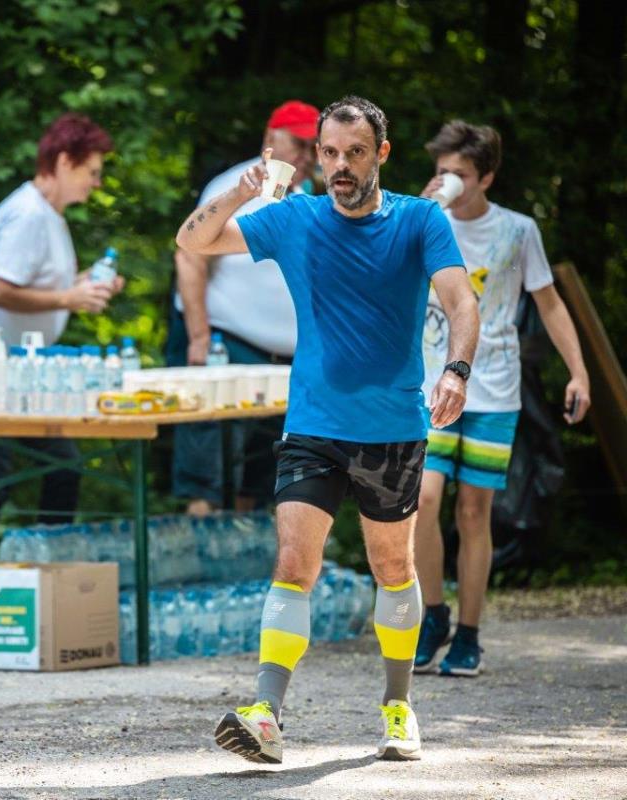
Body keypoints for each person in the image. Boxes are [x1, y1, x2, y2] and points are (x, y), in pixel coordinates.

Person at [176, 95, 479, 764]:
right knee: (293, 564)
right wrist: (241, 192)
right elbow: (192, 241)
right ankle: (266, 714)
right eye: (331, 153)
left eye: (355, 153)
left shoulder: (420, 220)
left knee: (392, 567)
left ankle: (398, 706)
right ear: (316, 155)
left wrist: (456, 371)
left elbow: (461, 300)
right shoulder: (294, 218)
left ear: (381, 154)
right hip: (313, 423)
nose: (341, 166)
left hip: (393, 427)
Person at [412, 121, 590, 678]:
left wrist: (579, 372)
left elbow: (550, 303)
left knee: (474, 511)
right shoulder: (425, 220)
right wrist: (420, 210)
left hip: (494, 390)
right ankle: (433, 615)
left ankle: (468, 634)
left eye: (460, 174)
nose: (449, 181)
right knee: (423, 500)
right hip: (432, 385)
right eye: (442, 171)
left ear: (486, 177)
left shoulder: (517, 229)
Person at [0, 113, 122, 559]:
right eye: (92, 171)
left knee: (63, 466)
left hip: (17, 370)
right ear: (64, 162)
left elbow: (36, 284)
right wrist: (69, 298)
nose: (96, 183)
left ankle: (45, 568)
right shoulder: (29, 216)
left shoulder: (48, 215)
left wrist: (83, 285)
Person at [168, 100, 318, 516]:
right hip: (227, 342)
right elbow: (189, 256)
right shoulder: (235, 186)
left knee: (261, 467)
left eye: (313, 147)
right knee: (209, 460)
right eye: (299, 144)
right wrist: (199, 336)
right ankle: (199, 537)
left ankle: (245, 542)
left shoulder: (302, 196)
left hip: (283, 357)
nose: (306, 156)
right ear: (271, 138)